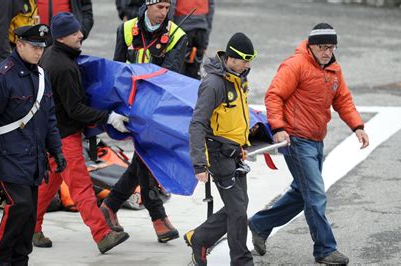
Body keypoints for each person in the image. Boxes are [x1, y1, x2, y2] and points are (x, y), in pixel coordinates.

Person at [248, 23, 370, 265]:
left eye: (332, 47)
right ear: (312, 46)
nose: (328, 52)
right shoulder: (295, 65)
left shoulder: (334, 69)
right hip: (295, 139)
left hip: (316, 139)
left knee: (301, 193)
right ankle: (325, 249)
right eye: (323, 47)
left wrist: (358, 126)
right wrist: (279, 129)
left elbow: (343, 100)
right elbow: (274, 95)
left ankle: (260, 224)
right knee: (314, 195)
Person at [33, 12, 130, 254]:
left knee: (48, 185)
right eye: (75, 32)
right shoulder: (64, 67)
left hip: (51, 133)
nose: (81, 35)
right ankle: (102, 234)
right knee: (81, 187)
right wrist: (108, 117)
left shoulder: (51, 56)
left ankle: (30, 229)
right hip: (64, 137)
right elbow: (75, 109)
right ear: (62, 37)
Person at [101, 0, 187, 243]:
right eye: (159, 7)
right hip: (127, 105)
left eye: (168, 8)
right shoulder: (126, 29)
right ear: (147, 6)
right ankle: (156, 217)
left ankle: (112, 206)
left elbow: (167, 80)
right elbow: (116, 70)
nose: (164, 13)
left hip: (157, 107)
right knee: (145, 155)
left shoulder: (177, 36)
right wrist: (116, 108)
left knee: (145, 155)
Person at [0, 24, 66, 265]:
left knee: (29, 214)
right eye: (34, 47)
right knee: (19, 206)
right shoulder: (0, 76)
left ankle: (20, 260)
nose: (39, 51)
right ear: (19, 44)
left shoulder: (41, 76)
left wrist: (57, 150)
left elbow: (49, 117)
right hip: (8, 156)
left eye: (42, 47)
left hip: (34, 159)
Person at [185, 32, 257, 266]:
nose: (248, 64)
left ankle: (200, 238)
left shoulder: (239, 78)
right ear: (231, 58)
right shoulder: (213, 84)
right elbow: (197, 124)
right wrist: (199, 163)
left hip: (235, 152)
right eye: (245, 59)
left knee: (240, 205)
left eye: (250, 59)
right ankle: (241, 261)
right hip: (218, 154)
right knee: (238, 211)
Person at [169, 0, 214, 79]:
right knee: (195, 71)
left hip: (182, 28)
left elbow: (171, 5)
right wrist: (207, 32)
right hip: (202, 29)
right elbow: (211, 7)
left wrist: (169, 29)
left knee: (177, 70)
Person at [0, 0, 38, 67]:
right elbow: (0, 35)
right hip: (14, 54)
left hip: (28, 54)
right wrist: (3, 65)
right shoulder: (6, 2)